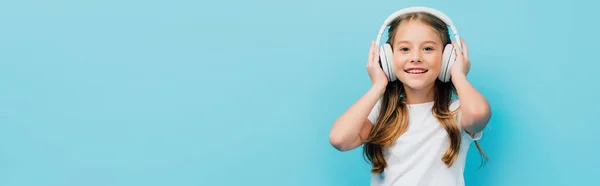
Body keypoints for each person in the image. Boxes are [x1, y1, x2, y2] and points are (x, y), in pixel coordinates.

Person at [328, 8, 491, 186]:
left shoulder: (456, 111)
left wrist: (458, 74)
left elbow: (478, 115)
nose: (415, 57)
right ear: (388, 58)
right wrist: (377, 86)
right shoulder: (381, 113)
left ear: (447, 58)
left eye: (428, 48)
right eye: (404, 49)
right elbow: (340, 139)